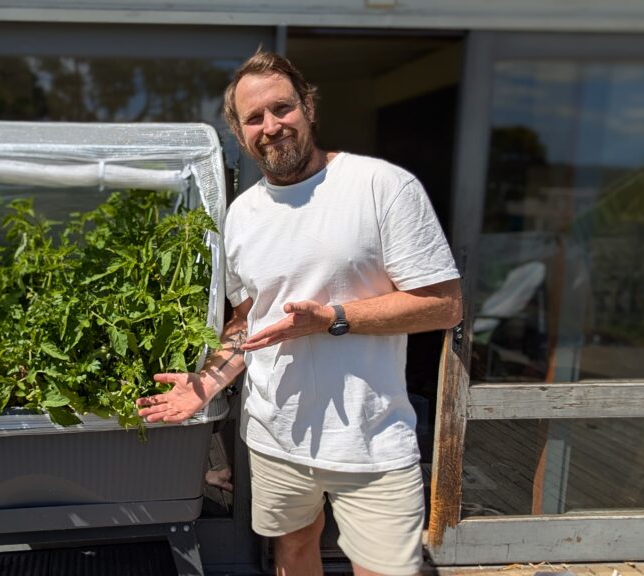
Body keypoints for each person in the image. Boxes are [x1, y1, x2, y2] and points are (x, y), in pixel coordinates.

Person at [136, 51, 462, 576]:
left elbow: (444, 305)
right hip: (274, 434)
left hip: (371, 439)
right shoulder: (241, 216)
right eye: (254, 118)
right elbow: (248, 323)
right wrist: (206, 383)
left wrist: (334, 317)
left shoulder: (379, 186)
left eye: (281, 108)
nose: (271, 126)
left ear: (308, 108)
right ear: (239, 135)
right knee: (291, 553)